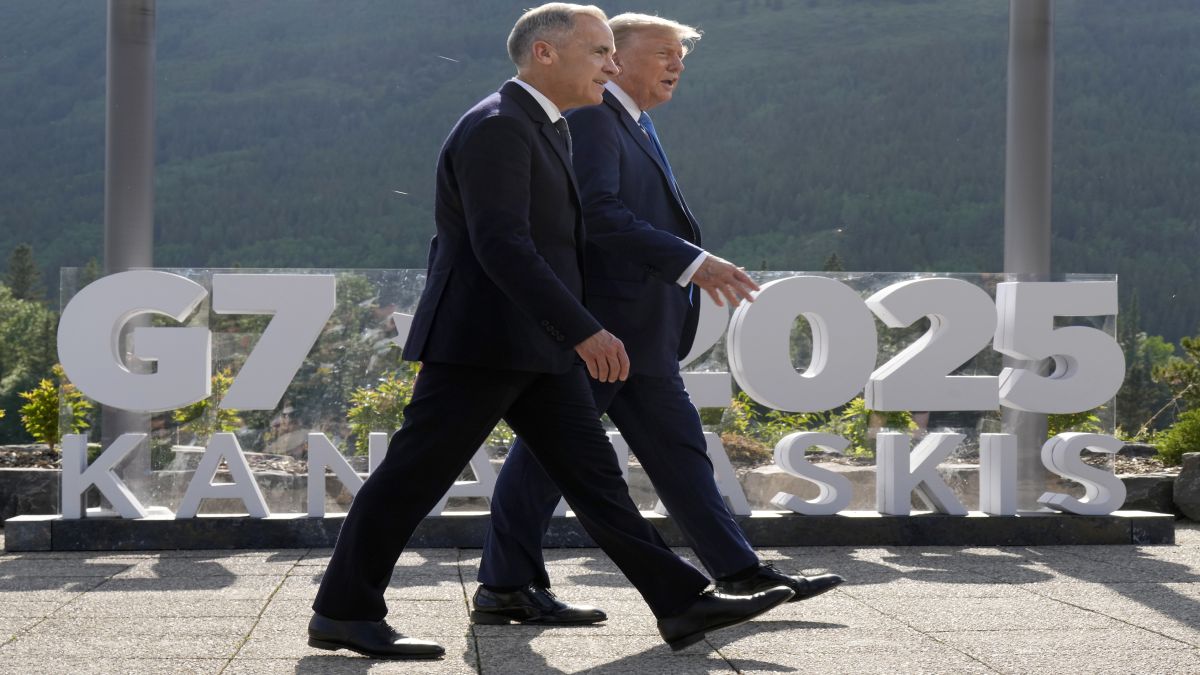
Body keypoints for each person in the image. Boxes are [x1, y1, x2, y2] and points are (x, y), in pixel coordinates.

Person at [307, 3, 793, 660]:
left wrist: (569, 332)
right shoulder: (499, 127)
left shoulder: (545, 126)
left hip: (536, 345)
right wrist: (585, 330)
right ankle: (344, 612)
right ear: (545, 52)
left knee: (596, 481)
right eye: (599, 52)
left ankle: (681, 602)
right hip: (483, 345)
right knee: (411, 478)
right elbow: (502, 245)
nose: (611, 66)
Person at [474, 12, 844, 626]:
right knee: (548, 458)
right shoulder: (595, 117)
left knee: (678, 452)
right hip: (602, 328)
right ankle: (504, 584)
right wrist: (692, 262)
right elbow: (598, 213)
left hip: (640, 331)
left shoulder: (632, 121)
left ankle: (740, 570)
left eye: (682, 55)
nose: (678, 64)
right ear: (616, 58)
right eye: (664, 52)